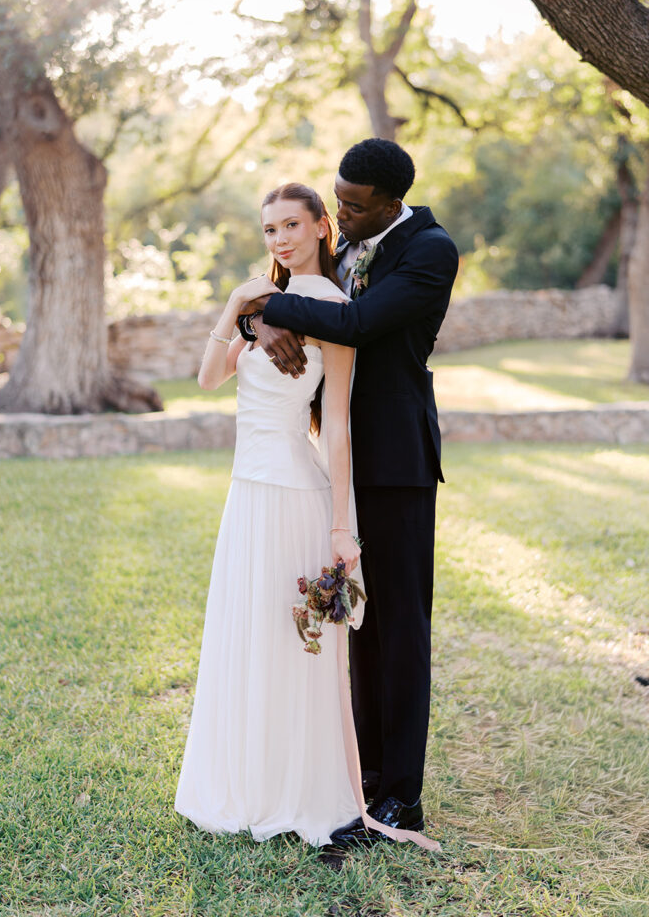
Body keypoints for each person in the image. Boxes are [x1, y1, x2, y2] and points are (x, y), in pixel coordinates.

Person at [245, 139, 459, 847]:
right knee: (349, 627)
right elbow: (304, 296)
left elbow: (359, 324)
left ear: (392, 203)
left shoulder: (429, 250)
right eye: (337, 199)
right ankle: (353, 774)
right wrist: (257, 318)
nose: (341, 213)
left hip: (394, 461)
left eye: (354, 205)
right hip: (329, 463)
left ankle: (399, 795)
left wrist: (269, 307)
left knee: (395, 628)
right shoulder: (348, 248)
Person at [174, 183, 364, 846]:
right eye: (268, 229)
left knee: (293, 645)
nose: (280, 238)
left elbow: (335, 424)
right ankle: (244, 781)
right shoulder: (257, 305)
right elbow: (206, 380)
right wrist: (235, 305)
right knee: (244, 635)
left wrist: (342, 526)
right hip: (244, 494)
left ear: (320, 226)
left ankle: (294, 785)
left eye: (291, 224)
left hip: (294, 494)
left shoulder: (339, 309)